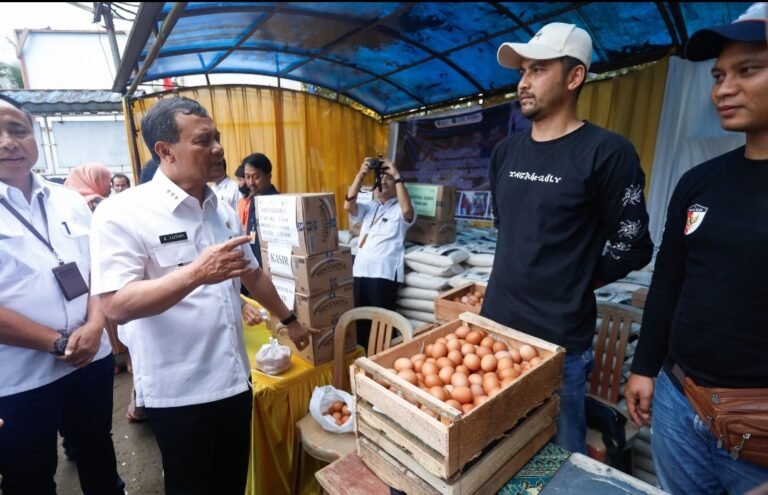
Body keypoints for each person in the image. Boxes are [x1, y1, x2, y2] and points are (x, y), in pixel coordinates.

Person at [89, 96, 313, 495]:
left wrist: (290, 320)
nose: (218, 149)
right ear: (165, 151)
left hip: (235, 381)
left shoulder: (220, 208)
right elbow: (115, 304)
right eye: (203, 140)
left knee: (231, 483)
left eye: (217, 138)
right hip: (181, 392)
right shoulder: (123, 212)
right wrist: (196, 273)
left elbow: (253, 274)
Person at [481, 22, 654, 454]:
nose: (523, 82)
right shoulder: (505, 152)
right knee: (493, 453)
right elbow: (509, 230)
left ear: (575, 77)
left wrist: (578, 279)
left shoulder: (607, 153)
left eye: (538, 70)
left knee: (559, 461)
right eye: (522, 71)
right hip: (493, 330)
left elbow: (633, 244)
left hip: (558, 345)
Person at [625, 4, 768, 493]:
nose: (723, 89)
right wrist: (645, 367)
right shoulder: (699, 182)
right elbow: (669, 278)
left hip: (758, 429)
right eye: (718, 76)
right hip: (678, 399)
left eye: (747, 70)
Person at [0, 94, 124, 494]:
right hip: (19, 377)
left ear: (34, 136)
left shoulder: (69, 200)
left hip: (90, 359)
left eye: (17, 130)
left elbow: (98, 269)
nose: (8, 142)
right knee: (29, 476)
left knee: (97, 451)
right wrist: (56, 343)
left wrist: (95, 325)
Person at [344, 156, 416, 348]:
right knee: (360, 323)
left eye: (388, 179)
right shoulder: (370, 207)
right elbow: (348, 205)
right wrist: (361, 174)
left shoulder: (401, 208)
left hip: (383, 274)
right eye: (380, 178)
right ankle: (362, 359)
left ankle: (383, 359)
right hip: (360, 271)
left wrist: (397, 175)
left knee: (382, 325)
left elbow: (407, 210)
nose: (383, 182)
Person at [242, 152, 280, 267]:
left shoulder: (277, 203)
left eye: (256, 177)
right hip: (254, 264)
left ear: (268, 176)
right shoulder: (253, 199)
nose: (251, 183)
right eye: (247, 177)